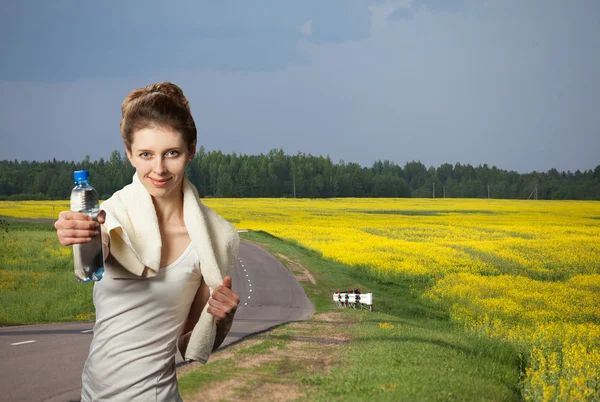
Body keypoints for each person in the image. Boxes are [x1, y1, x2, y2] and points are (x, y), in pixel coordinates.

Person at [54, 82, 240, 401]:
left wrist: (222, 322)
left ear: (191, 150)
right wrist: (81, 236)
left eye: (172, 153)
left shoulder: (213, 238)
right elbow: (101, 239)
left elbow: (188, 346)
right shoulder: (110, 214)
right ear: (129, 154)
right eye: (145, 154)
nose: (159, 169)